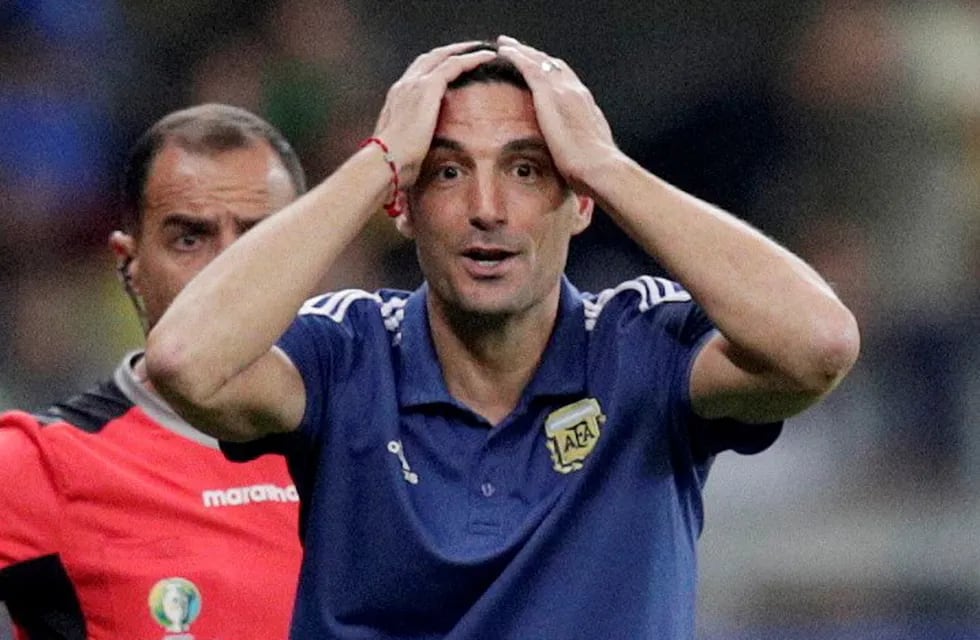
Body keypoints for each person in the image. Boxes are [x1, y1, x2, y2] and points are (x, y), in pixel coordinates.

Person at [145, 38, 861, 639]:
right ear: (402, 206)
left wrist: (610, 167)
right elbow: (183, 363)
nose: (487, 209)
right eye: (449, 172)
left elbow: (819, 345)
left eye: (526, 170)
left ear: (579, 201)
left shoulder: (640, 344)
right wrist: (377, 159)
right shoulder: (347, 352)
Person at [0, 104, 305, 639]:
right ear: (129, 264)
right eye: (190, 239)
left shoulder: (393, 441)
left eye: (262, 238)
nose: (227, 273)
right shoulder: (47, 464)